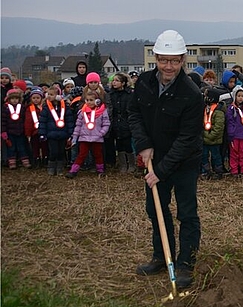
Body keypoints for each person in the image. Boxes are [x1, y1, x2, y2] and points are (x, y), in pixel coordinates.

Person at [128, 29, 204, 290]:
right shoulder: (145, 83)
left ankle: (185, 263)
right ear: (155, 58)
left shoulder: (191, 93)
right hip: (154, 156)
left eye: (174, 60)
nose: (168, 66)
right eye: (163, 60)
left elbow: (187, 139)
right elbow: (134, 113)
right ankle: (162, 256)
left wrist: (160, 170)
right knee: (155, 209)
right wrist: (144, 144)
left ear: (183, 60)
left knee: (187, 213)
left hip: (183, 162)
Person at [65, 90, 110, 178]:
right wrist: (75, 137)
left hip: (97, 138)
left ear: (97, 101)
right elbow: (78, 125)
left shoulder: (102, 112)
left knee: (98, 154)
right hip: (84, 138)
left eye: (91, 100)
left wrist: (101, 133)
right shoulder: (82, 112)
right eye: (87, 100)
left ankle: (100, 170)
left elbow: (106, 124)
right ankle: (73, 170)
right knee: (81, 154)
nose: (89, 102)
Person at [39, 86, 75, 176]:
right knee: (53, 151)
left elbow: (69, 120)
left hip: (63, 133)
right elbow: (42, 121)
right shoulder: (46, 107)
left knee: (61, 151)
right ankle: (51, 166)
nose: (49, 96)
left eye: (51, 94)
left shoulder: (65, 107)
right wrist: (42, 133)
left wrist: (71, 133)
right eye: (48, 94)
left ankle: (60, 167)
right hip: (51, 134)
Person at [109, 73, 136, 174]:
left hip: (126, 122)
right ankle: (123, 164)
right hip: (116, 122)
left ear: (123, 83)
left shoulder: (130, 94)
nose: (114, 82)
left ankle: (132, 164)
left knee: (127, 144)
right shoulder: (111, 94)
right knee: (119, 144)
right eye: (113, 80)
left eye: (117, 80)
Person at [2, 88, 31, 169]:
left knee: (22, 147)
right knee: (11, 148)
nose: (14, 100)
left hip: (20, 131)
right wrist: (3, 132)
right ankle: (12, 162)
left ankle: (25, 161)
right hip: (10, 132)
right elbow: (3, 121)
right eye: (12, 98)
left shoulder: (22, 107)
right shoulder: (5, 108)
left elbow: (25, 119)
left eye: (16, 98)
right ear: (8, 99)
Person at [225, 86, 243, 177]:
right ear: (235, 96)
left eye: (242, 96)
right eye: (238, 96)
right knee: (234, 153)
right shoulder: (231, 109)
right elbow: (230, 121)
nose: (240, 98)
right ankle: (234, 170)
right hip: (234, 135)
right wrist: (230, 133)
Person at [24, 87, 47, 168]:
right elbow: (28, 122)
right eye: (34, 98)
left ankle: (45, 159)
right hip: (34, 132)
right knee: (35, 147)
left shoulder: (45, 107)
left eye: (38, 98)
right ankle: (36, 160)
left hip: (44, 132)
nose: (36, 100)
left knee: (45, 147)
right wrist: (28, 134)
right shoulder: (29, 109)